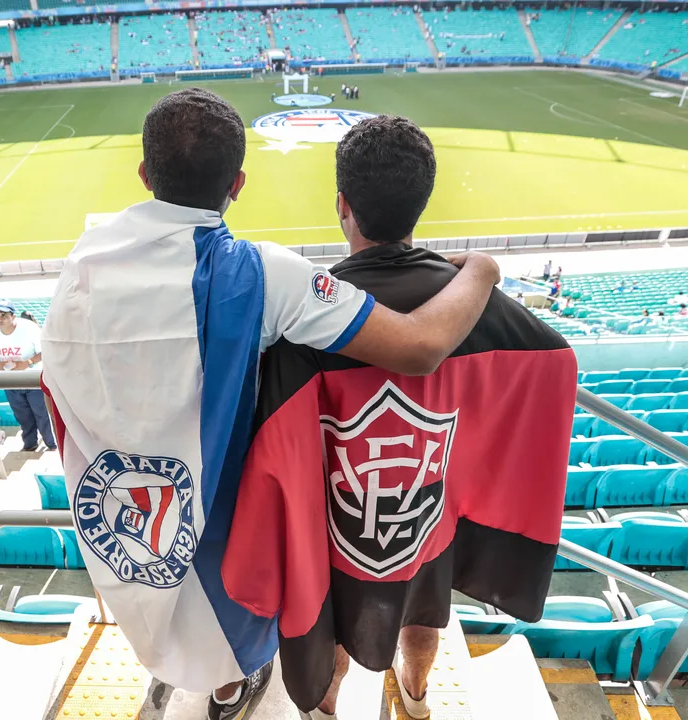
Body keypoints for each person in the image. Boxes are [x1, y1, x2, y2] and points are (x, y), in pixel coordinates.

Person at [39, 90, 500, 720]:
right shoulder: (264, 274)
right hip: (217, 507)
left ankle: (216, 683)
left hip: (123, 505)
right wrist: (481, 270)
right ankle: (234, 684)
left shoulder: (81, 263)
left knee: (163, 604)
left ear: (145, 176)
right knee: (229, 604)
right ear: (239, 183)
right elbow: (419, 347)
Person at [222, 116, 576, 720]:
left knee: (329, 631)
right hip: (427, 517)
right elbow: (555, 367)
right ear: (421, 202)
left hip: (334, 529)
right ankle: (415, 701)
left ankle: (322, 712)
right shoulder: (474, 304)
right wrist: (483, 272)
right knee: (423, 616)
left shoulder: (307, 317)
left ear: (343, 206)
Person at [0, 300, 56, 452]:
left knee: (42, 414)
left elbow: (45, 352)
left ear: (13, 316)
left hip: (33, 379)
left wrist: (27, 363)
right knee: (22, 416)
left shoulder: (29, 328)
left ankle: (52, 444)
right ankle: (30, 444)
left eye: (4, 315)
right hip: (10, 381)